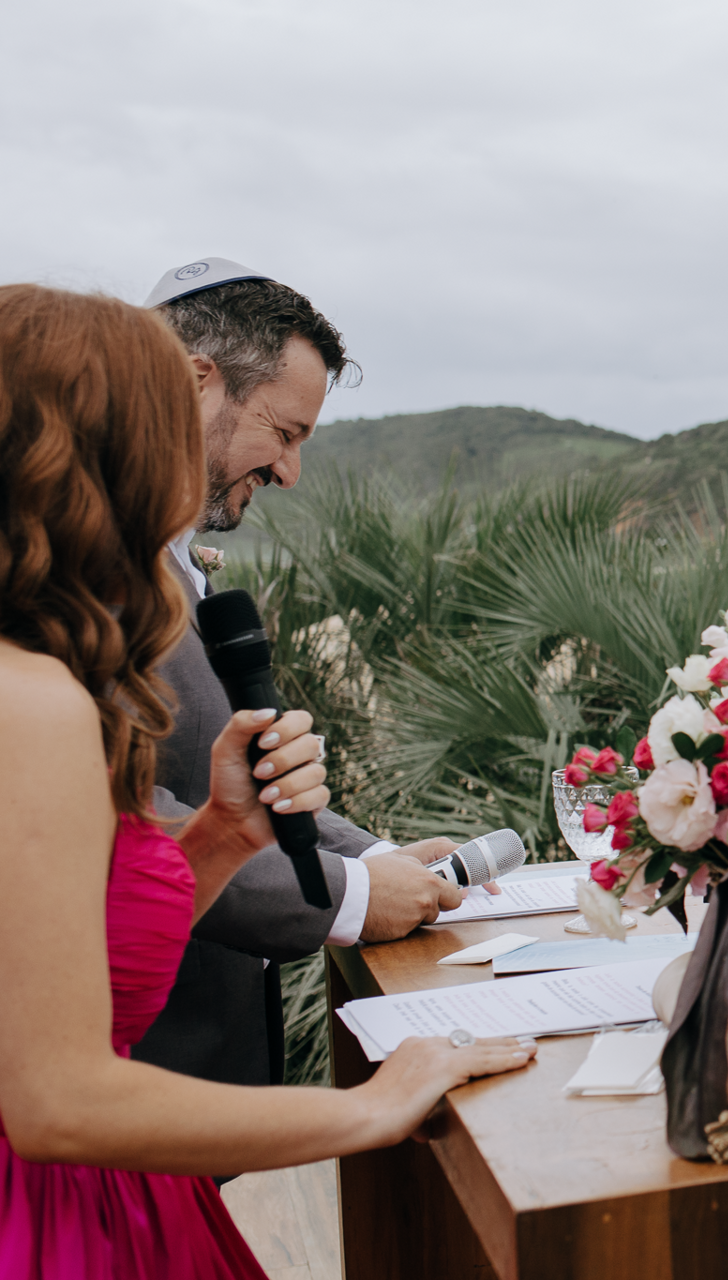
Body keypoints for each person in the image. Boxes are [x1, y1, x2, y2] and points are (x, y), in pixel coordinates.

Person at [0, 284, 534, 1278]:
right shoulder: (28, 703)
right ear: (90, 451)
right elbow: (52, 1099)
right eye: (163, 422)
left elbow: (77, 945)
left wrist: (219, 834)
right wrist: (373, 1103)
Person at [132, 259, 480, 1090]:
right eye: (284, 434)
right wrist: (350, 896)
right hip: (130, 1066)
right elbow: (122, 810)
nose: (289, 472)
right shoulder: (76, 568)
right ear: (193, 383)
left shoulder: (173, 557)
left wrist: (387, 860)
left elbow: (235, 782)